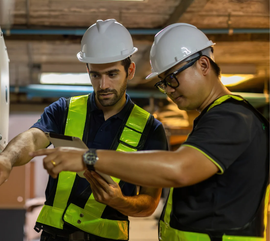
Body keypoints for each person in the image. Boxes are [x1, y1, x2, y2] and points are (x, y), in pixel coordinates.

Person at [31, 23, 270, 241]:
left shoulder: (231, 117)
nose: (168, 90)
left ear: (203, 65)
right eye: (163, 83)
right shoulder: (214, 119)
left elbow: (178, 169)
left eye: (172, 79)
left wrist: (89, 157)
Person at [0, 19, 168, 241]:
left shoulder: (151, 129)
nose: (103, 85)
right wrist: (7, 159)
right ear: (87, 70)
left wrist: (119, 201)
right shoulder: (64, 110)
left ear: (130, 70)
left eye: (112, 74)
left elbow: (149, 202)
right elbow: (33, 138)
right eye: (95, 75)